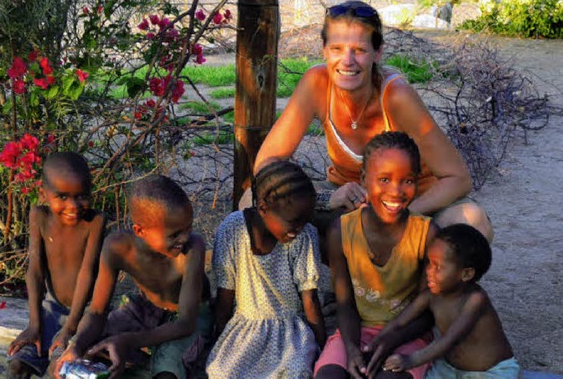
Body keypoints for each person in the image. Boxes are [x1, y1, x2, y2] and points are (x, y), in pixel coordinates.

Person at [253, 0, 493, 242]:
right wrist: (324, 198)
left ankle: (421, 272)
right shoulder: (316, 83)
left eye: (359, 50)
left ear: (377, 52)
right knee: (253, 202)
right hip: (347, 200)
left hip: (411, 199)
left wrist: (401, 214)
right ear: (324, 49)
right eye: (337, 48)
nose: (347, 61)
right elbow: (266, 163)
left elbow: (458, 179)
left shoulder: (397, 96)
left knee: (473, 221)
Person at [54, 174, 212, 379]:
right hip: (145, 309)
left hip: (190, 316)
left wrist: (128, 340)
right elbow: (96, 311)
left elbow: (186, 323)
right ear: (140, 231)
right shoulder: (118, 248)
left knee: (168, 373)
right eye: (174, 234)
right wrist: (78, 345)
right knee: (73, 360)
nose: (184, 238)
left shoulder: (192, 249)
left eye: (188, 228)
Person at [314, 132, 438, 379]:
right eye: (384, 179)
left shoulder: (427, 234)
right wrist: (352, 348)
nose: (396, 191)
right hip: (354, 332)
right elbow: (344, 302)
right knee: (329, 376)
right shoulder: (341, 230)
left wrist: (389, 340)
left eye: (407, 181)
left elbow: (428, 310)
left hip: (406, 336)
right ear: (363, 179)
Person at [207, 160, 326, 378]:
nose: (298, 229)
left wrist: (322, 345)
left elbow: (310, 298)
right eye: (293, 222)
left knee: (296, 370)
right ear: (263, 207)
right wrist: (219, 336)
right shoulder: (232, 230)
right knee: (221, 370)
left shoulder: (303, 236)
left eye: (305, 221)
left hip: (290, 331)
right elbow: (226, 293)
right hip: (245, 326)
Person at [7, 152, 106, 378]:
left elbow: (87, 273)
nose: (73, 206)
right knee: (17, 366)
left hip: (85, 313)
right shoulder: (39, 216)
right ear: (43, 193)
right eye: (62, 197)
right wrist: (34, 324)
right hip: (51, 309)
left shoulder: (95, 221)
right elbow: (34, 271)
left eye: (81, 196)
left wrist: (70, 329)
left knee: (59, 369)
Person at [382, 224, 519, 378]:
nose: (428, 271)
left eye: (437, 267)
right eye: (428, 262)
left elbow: (449, 340)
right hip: (447, 369)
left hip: (490, 372)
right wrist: (376, 344)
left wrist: (410, 360)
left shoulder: (475, 300)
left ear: (466, 274)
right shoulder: (430, 295)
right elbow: (398, 322)